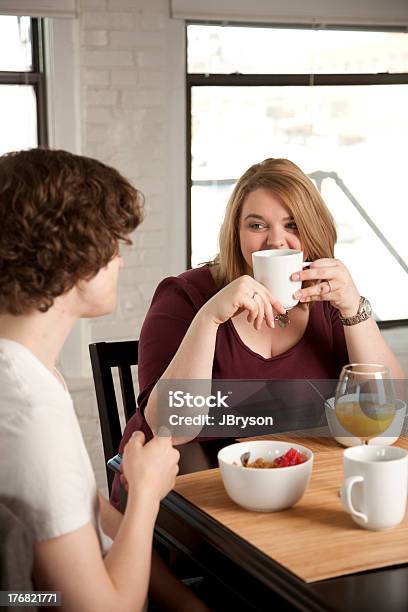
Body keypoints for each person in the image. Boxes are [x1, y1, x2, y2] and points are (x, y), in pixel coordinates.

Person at [112, 157, 404, 506]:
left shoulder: (328, 298)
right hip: (175, 496)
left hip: (285, 488)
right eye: (257, 225)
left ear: (313, 231)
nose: (275, 241)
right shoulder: (184, 296)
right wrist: (209, 319)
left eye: (292, 225)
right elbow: (173, 428)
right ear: (236, 233)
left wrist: (354, 308)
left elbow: (386, 415)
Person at [0, 149, 208, 612]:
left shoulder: (30, 372)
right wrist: (147, 493)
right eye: (113, 243)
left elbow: (91, 515)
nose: (119, 260)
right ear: (71, 260)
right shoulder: (28, 410)